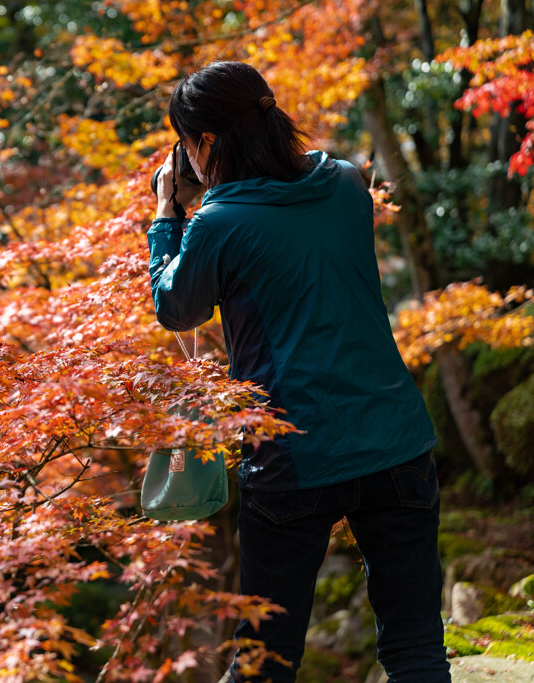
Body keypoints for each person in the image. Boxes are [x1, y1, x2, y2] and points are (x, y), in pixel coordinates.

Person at [146, 61, 450, 683]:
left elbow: (178, 308)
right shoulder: (345, 181)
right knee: (416, 647)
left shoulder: (217, 222)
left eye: (186, 143)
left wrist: (166, 214)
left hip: (292, 460)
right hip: (394, 441)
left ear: (204, 143)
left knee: (265, 661)